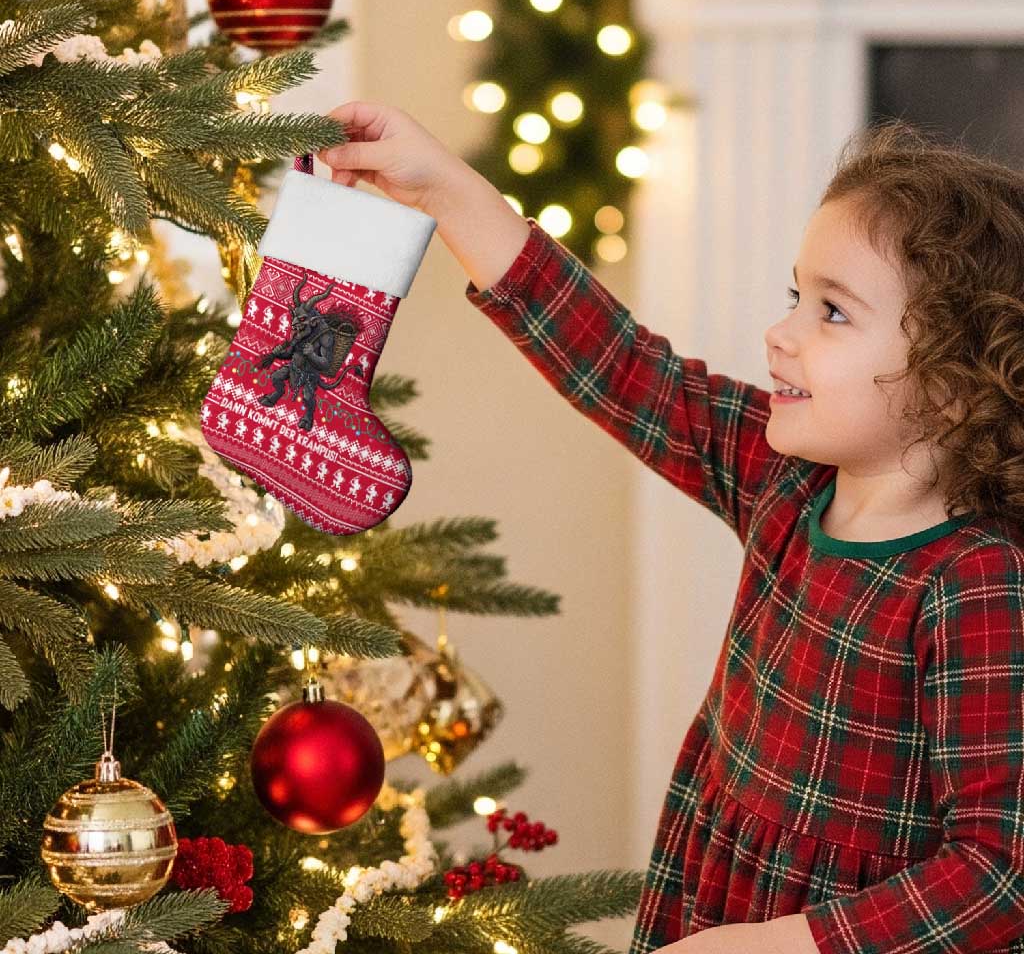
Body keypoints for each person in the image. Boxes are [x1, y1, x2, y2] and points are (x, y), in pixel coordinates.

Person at [317, 104, 1024, 954]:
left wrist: (779, 946)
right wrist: (451, 191)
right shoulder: (786, 482)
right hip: (714, 894)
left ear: (957, 384)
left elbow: (998, 871)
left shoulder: (978, 582)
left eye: (832, 313)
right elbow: (622, 366)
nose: (782, 333)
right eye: (797, 297)